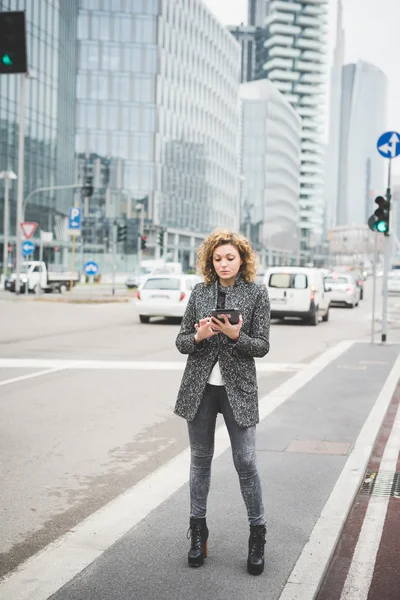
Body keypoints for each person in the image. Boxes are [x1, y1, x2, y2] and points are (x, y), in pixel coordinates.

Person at [174, 228, 270, 575]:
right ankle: (198, 534)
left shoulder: (257, 294)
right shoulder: (199, 293)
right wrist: (198, 336)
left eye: (230, 257)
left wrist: (235, 335)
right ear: (209, 262)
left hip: (238, 390)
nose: (224, 263)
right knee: (200, 462)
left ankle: (257, 534)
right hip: (200, 389)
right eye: (217, 258)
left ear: (242, 259)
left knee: (246, 463)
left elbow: (261, 346)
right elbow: (182, 340)